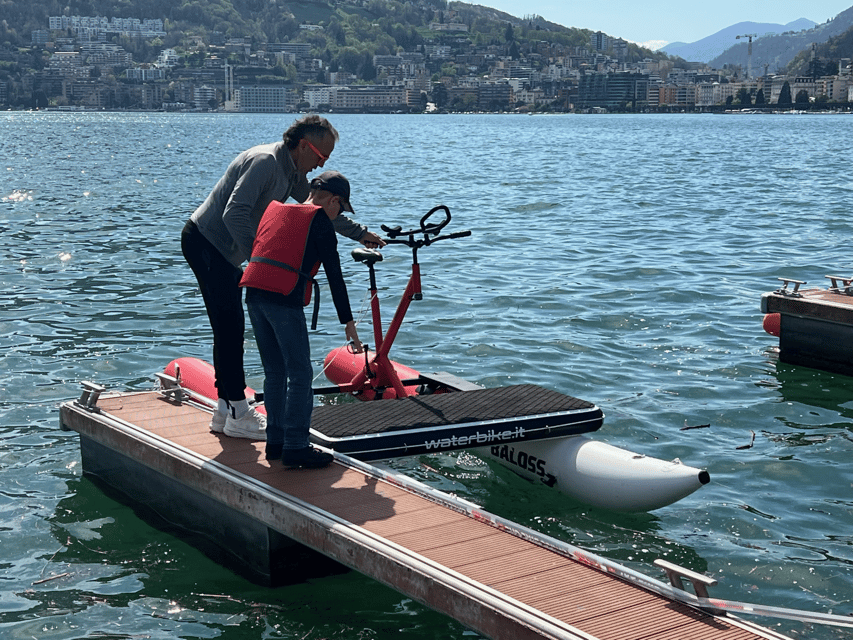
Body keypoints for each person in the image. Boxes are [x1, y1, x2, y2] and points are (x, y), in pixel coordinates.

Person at [181, 115, 384, 440]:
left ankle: (225, 409)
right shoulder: (265, 162)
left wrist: (360, 234)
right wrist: (261, 261)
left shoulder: (293, 173)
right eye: (321, 157)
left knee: (229, 328)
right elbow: (233, 214)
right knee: (229, 327)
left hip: (225, 252)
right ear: (304, 146)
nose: (321, 165)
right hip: (206, 243)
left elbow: (318, 210)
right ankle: (237, 411)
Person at [240, 171, 363, 468]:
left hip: (254, 294)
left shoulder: (277, 208)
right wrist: (348, 323)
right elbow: (335, 275)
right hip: (283, 299)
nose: (337, 214)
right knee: (300, 374)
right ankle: (296, 446)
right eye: (340, 208)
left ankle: (275, 442)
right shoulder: (319, 220)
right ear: (334, 200)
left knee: (274, 372)